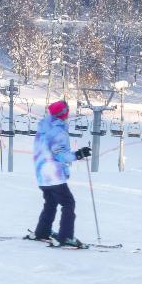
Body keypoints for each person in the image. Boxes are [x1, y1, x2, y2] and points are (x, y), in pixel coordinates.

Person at [31, 100, 93, 247]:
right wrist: (78, 154)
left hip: (42, 175)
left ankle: (42, 231)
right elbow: (60, 155)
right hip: (54, 175)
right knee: (68, 203)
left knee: (51, 203)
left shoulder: (44, 128)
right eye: (67, 111)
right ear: (63, 114)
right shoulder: (57, 131)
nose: (68, 114)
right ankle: (65, 237)